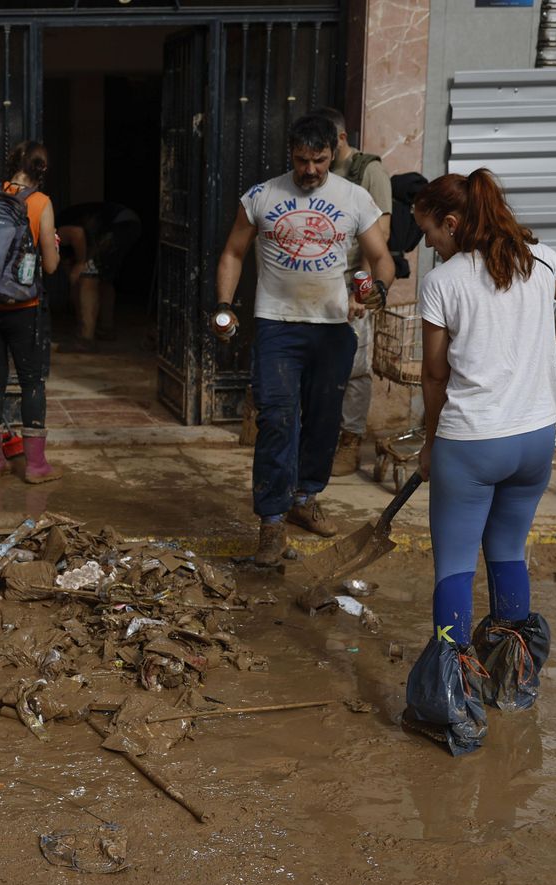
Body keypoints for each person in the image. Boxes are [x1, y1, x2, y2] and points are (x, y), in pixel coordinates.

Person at [403, 169, 556, 755]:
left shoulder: (444, 281)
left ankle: (452, 706)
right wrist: (546, 337)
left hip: (472, 442)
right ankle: (511, 682)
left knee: (453, 566)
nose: (428, 245)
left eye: (428, 232)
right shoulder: (540, 259)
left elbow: (434, 374)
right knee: (506, 551)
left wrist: (430, 443)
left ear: (451, 223)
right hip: (535, 439)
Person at [214, 113, 395, 567]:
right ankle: (271, 523)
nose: (310, 169)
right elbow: (233, 252)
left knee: (323, 420)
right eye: (301, 160)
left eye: (319, 160)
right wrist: (224, 304)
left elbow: (381, 257)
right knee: (277, 419)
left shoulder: (354, 197)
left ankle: (305, 497)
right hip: (277, 324)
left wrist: (377, 289)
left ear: (333, 153)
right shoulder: (262, 196)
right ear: (290, 154)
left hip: (333, 328)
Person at [0, 140, 61, 482]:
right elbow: (50, 266)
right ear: (41, 170)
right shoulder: (40, 203)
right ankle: (35, 466)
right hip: (22, 307)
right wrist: (53, 244)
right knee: (32, 380)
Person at [317, 108, 393, 477]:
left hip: (352, 285)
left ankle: (350, 441)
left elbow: (380, 238)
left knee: (356, 368)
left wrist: (360, 291)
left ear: (341, 139)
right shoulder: (320, 170)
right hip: (319, 285)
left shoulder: (369, 171)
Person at [56, 201, 141, 351]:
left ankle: (86, 339)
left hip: (117, 224)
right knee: (104, 280)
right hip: (129, 222)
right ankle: (105, 328)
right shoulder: (69, 247)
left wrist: (81, 263)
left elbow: (77, 233)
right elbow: (73, 277)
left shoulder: (56, 230)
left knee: (89, 275)